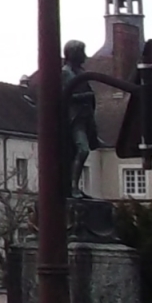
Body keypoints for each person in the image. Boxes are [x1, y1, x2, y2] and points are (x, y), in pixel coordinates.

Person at [61, 40, 100, 198]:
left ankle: (75, 186)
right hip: (74, 118)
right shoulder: (66, 72)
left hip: (85, 117)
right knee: (82, 149)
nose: (85, 56)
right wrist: (87, 96)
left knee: (84, 150)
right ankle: (73, 187)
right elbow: (65, 96)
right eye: (82, 52)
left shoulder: (80, 72)